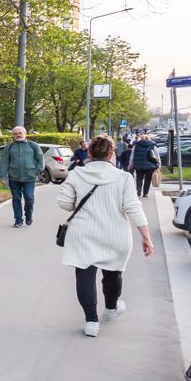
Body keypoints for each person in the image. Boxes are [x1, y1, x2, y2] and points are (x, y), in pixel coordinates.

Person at [57, 134, 155, 337]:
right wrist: (146, 237)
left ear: (90, 153)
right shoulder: (124, 178)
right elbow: (133, 208)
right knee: (113, 273)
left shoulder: (77, 174)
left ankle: (91, 322)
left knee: (84, 276)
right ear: (112, 154)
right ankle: (111, 309)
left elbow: (65, 203)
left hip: (83, 233)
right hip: (115, 233)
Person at [0, 126, 44, 228]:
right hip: (14, 178)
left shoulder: (33, 146)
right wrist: (3, 176)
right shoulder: (9, 147)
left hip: (29, 177)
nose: (18, 135)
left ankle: (29, 215)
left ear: (25, 134)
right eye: (15, 133)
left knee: (29, 197)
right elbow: (4, 162)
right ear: (13, 135)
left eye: (20, 133)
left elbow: (40, 159)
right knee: (16, 198)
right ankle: (18, 220)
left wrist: (37, 171)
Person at [128, 132, 161, 197]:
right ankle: (145, 193)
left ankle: (139, 189)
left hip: (138, 165)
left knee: (139, 178)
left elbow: (132, 155)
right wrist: (159, 164)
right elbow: (157, 155)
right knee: (147, 179)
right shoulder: (152, 145)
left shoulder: (136, 145)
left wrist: (130, 164)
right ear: (148, 139)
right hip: (150, 166)